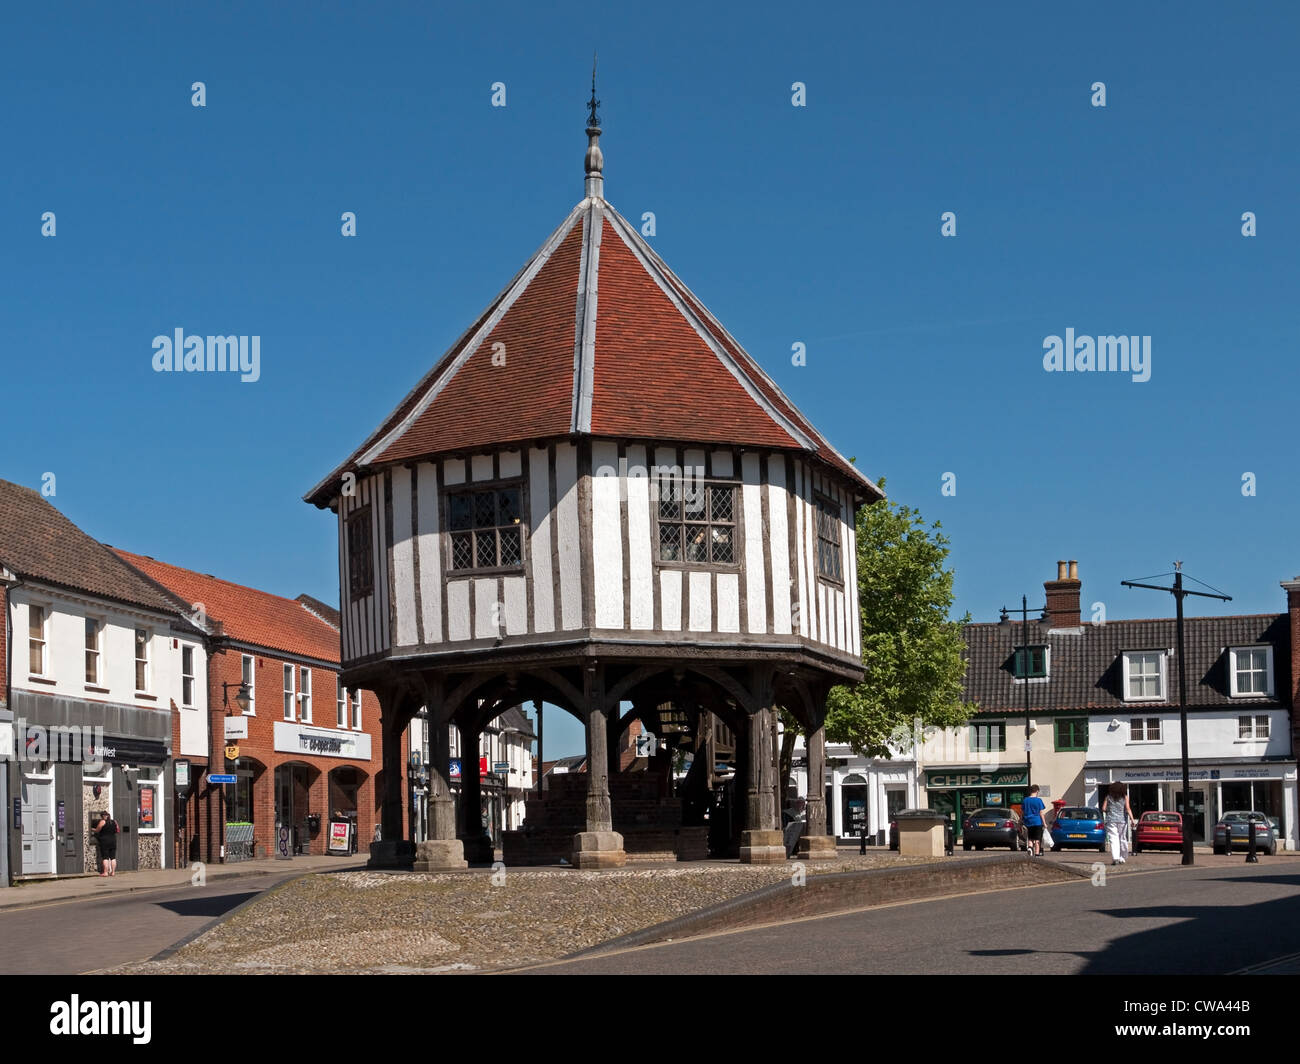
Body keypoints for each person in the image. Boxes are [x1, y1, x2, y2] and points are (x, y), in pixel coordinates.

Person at [1102, 781, 1134, 864]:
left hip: (1111, 820)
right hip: (1122, 820)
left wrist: (1110, 810)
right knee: (1122, 838)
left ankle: (1115, 858)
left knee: (1113, 839)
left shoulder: (1108, 797)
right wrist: (1132, 819)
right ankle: (1122, 857)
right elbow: (1128, 809)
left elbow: (1103, 809)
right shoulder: (1124, 797)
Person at [1022, 784, 1047, 856]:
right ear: (1037, 791)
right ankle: (1036, 854)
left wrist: (1020, 822)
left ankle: (1030, 848)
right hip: (1037, 822)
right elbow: (1041, 813)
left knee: (1030, 838)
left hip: (1028, 822)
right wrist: (1044, 823)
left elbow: (1022, 813)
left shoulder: (1025, 800)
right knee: (1037, 840)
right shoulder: (1038, 800)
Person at [93, 812, 119, 877]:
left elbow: (97, 830)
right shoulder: (114, 821)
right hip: (113, 841)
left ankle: (105, 872)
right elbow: (117, 830)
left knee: (105, 857)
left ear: (103, 816)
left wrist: (92, 829)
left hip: (105, 841)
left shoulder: (102, 822)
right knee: (113, 857)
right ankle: (113, 872)